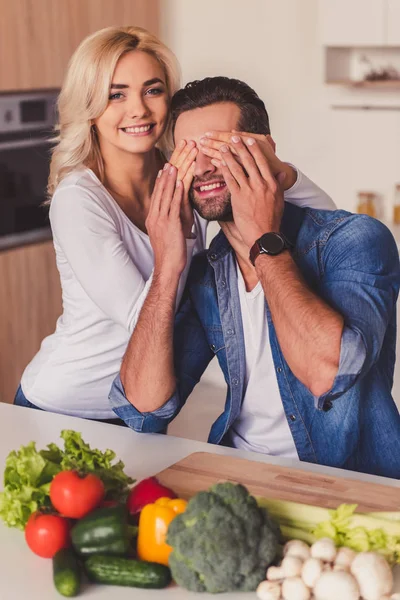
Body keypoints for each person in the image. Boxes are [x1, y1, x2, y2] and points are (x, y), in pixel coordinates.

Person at [15, 27, 334, 421]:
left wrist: (272, 167)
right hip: (64, 407)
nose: (139, 110)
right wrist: (173, 247)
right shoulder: (78, 199)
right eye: (117, 94)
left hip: (146, 408)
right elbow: (145, 322)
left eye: (152, 90)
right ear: (90, 107)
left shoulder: (183, 172)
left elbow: (328, 214)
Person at [110, 77, 400, 479]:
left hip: (350, 483)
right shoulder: (207, 272)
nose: (204, 168)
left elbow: (326, 375)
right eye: (189, 154)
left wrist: (264, 241)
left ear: (263, 150)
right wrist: (167, 268)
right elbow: (142, 407)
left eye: (220, 149)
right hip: (239, 474)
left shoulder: (355, 240)